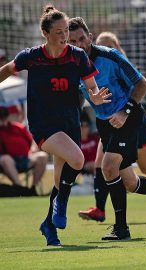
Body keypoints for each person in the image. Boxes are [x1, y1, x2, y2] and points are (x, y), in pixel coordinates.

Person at [0, 5, 111, 246]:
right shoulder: (31, 56)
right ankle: (60, 205)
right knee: (78, 160)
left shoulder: (77, 56)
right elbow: (8, 69)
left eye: (65, 31)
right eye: (59, 32)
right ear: (46, 33)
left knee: (61, 177)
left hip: (69, 122)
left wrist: (94, 96)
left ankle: (49, 227)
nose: (64, 36)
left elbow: (91, 85)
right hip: (43, 124)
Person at [68, 18, 146, 240]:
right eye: (73, 41)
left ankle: (121, 229)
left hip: (129, 116)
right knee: (130, 183)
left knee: (108, 167)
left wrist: (124, 113)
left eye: (82, 38)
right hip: (105, 122)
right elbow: (77, 97)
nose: (79, 44)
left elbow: (142, 84)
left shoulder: (110, 56)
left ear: (90, 37)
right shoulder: (71, 65)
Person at [0, 106, 48, 188]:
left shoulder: (19, 127)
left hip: (25, 159)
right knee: (6, 159)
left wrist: (33, 148)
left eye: (4, 117)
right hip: (7, 161)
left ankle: (33, 188)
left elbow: (33, 141)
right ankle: (19, 187)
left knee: (42, 156)